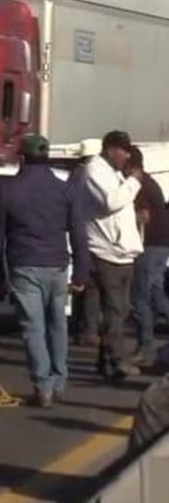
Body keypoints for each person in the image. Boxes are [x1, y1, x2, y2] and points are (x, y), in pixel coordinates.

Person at [0, 134, 90, 408]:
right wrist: (81, 273)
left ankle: (42, 386)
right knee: (58, 325)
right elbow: (79, 233)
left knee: (33, 327)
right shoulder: (65, 191)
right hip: (58, 266)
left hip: (24, 266)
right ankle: (58, 381)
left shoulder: (7, 190)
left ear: (21, 157)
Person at [83, 130, 144, 380]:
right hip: (107, 252)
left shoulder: (115, 173)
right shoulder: (95, 171)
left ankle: (106, 359)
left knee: (120, 310)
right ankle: (118, 360)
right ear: (110, 149)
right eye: (124, 150)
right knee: (115, 311)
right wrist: (134, 182)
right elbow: (111, 202)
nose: (127, 156)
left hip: (123, 252)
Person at [128, 146, 169, 366]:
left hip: (150, 245)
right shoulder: (150, 182)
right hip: (161, 244)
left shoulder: (139, 185)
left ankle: (145, 347)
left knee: (140, 298)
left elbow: (143, 216)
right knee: (157, 297)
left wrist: (122, 215)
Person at [68, 139, 102, 346]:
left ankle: (78, 327)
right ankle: (89, 330)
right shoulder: (92, 175)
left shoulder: (75, 174)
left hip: (78, 234)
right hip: (92, 235)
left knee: (80, 284)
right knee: (91, 287)